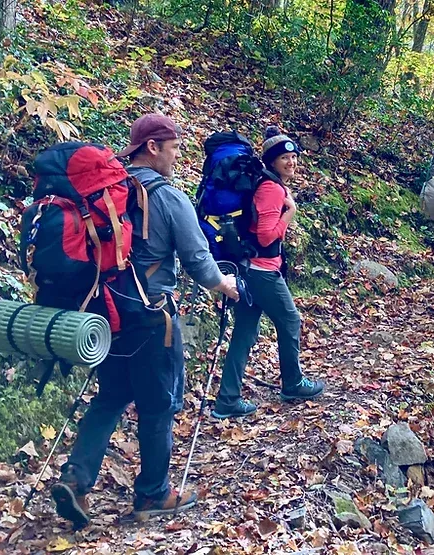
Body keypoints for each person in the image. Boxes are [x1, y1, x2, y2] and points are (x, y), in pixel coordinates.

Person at [51, 114, 239, 529]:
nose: (177, 154)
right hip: (153, 317)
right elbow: (197, 259)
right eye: (173, 146)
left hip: (106, 313)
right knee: (159, 406)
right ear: (152, 147)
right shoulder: (168, 196)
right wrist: (224, 285)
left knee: (110, 397)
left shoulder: (105, 193)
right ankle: (154, 493)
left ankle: (76, 479)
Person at [211, 126, 325, 420]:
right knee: (290, 320)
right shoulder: (271, 189)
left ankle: (227, 400)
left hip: (247, 269)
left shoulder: (266, 184)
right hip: (261, 272)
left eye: (294, 157)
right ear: (271, 161)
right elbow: (265, 236)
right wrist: (289, 215)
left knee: (244, 333)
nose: (291, 162)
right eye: (284, 157)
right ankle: (293, 383)